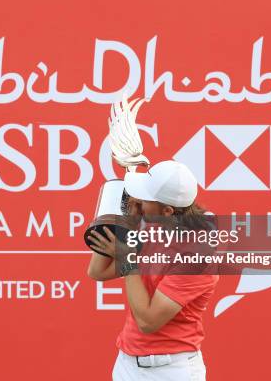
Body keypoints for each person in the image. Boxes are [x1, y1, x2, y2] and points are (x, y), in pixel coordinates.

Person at [87, 160, 219, 381]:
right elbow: (97, 272)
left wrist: (128, 257)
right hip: (127, 366)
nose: (137, 200)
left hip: (172, 372)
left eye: (144, 198)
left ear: (167, 210)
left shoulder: (198, 255)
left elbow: (148, 321)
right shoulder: (152, 228)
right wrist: (123, 222)